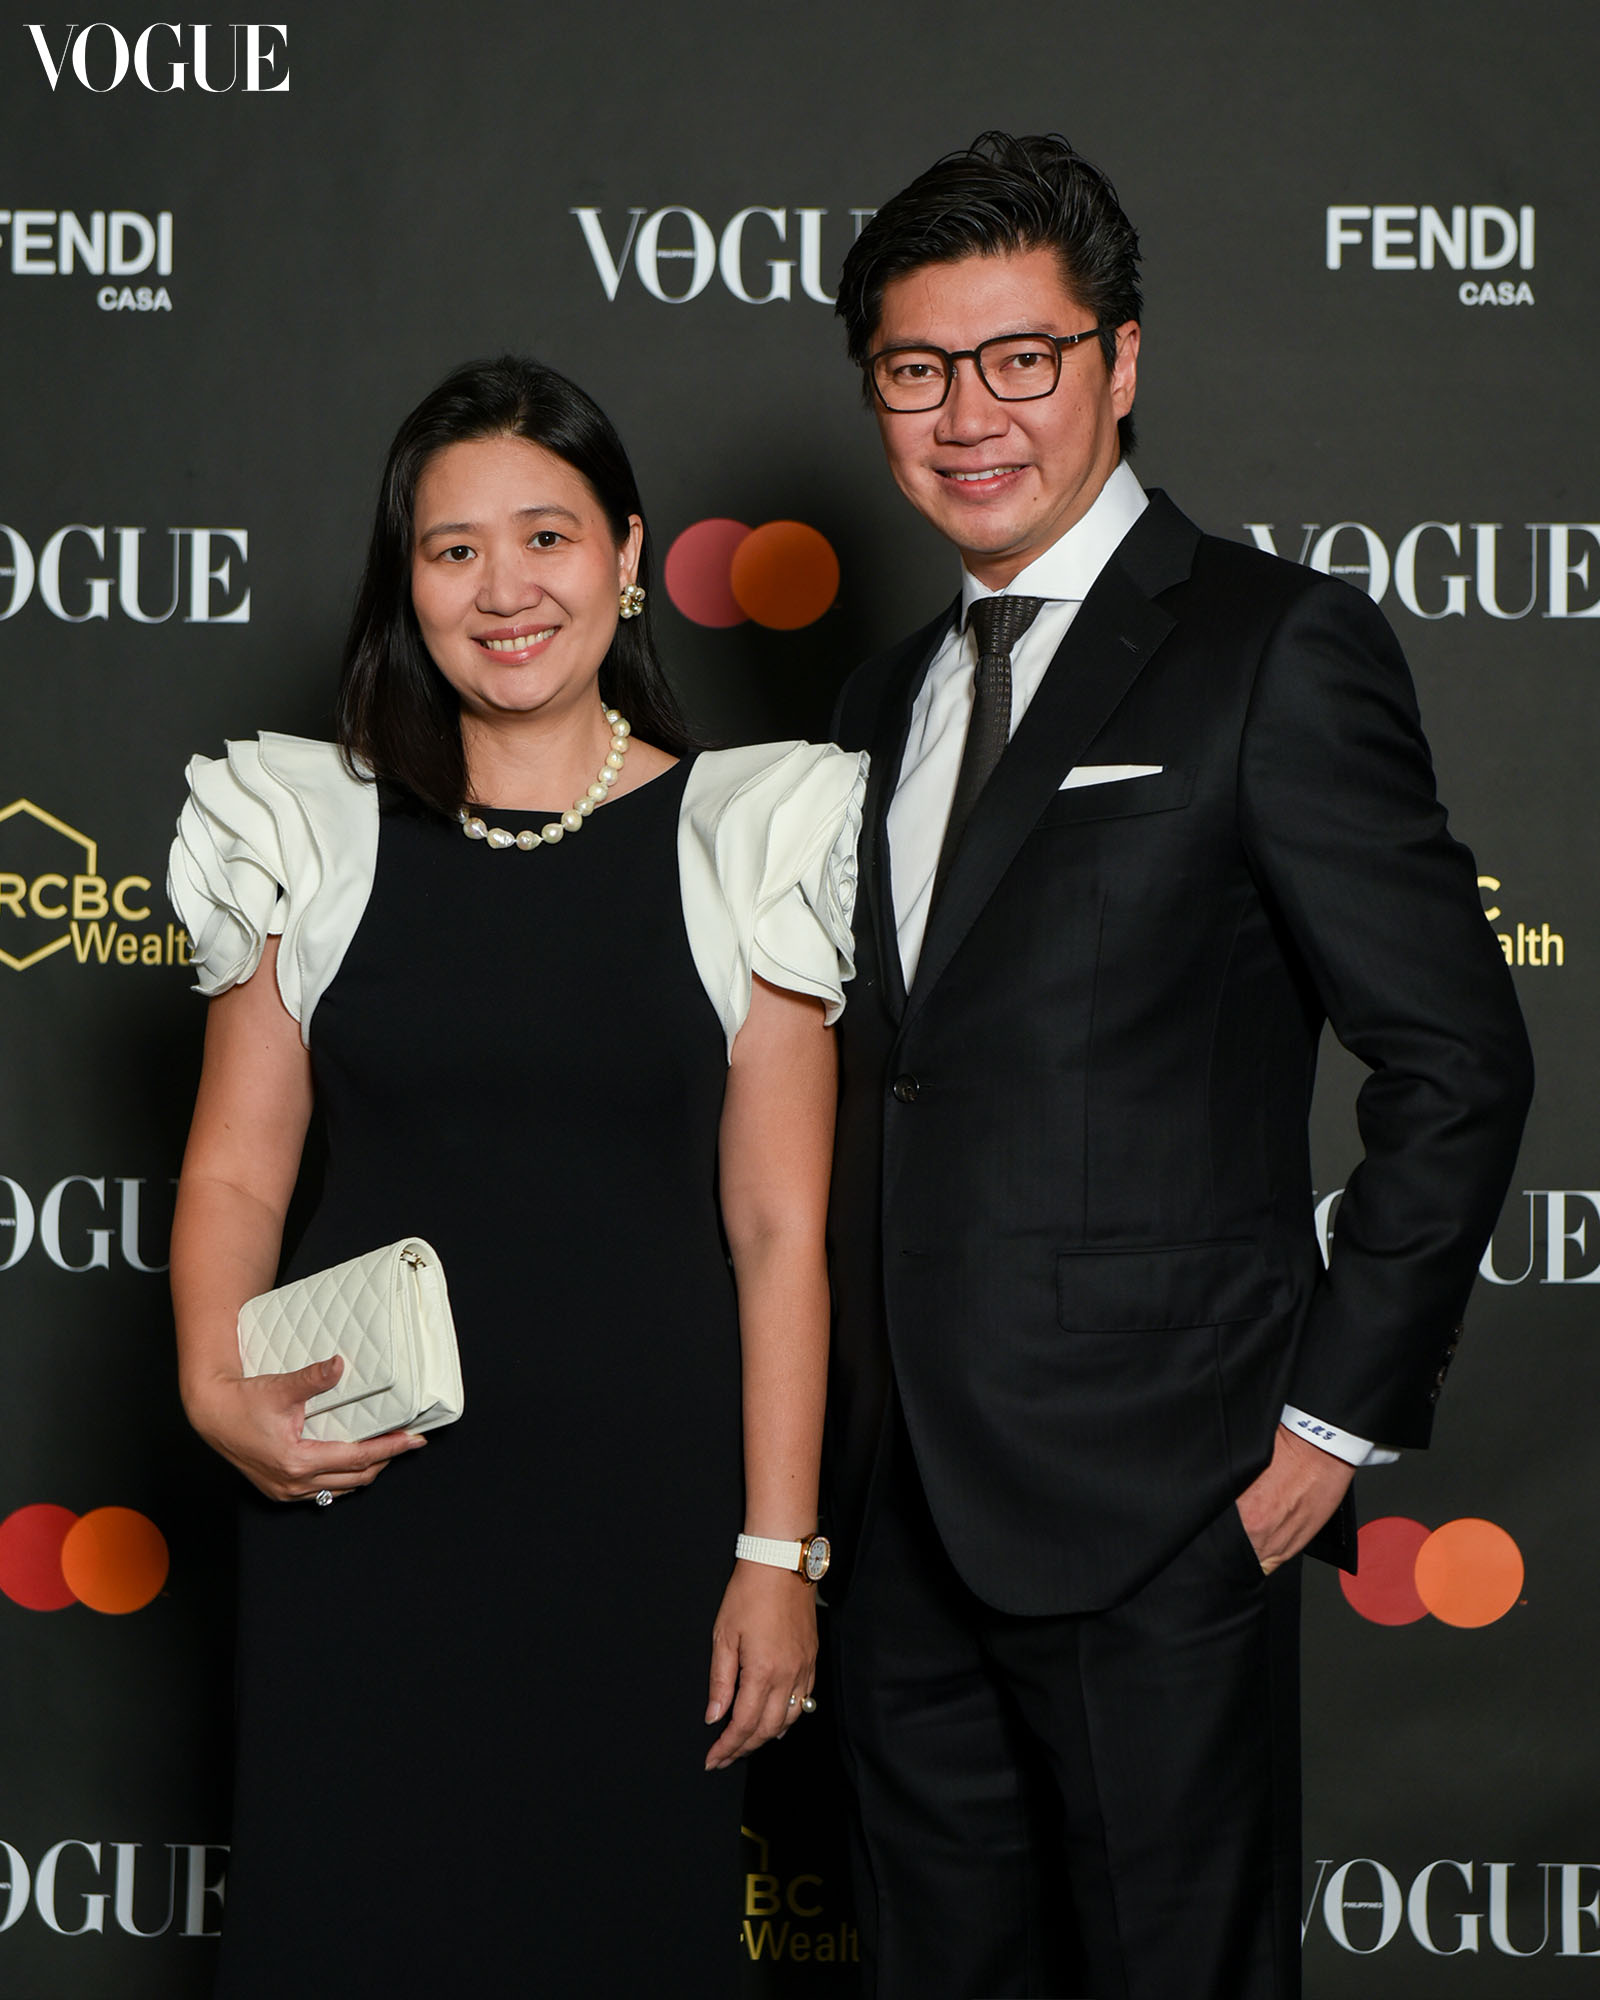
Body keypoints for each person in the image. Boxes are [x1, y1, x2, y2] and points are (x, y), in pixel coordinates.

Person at [822, 133, 1533, 2000]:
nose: (970, 415)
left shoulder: (1275, 650)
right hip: (894, 1511)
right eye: (917, 368)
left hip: (1161, 1503)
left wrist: (1323, 1432)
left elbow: (1456, 1057)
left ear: (1120, 363)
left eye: (1021, 358)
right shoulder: (882, 695)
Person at [166, 355, 866, 1997]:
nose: (504, 590)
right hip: (360, 1493)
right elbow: (231, 1178)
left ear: (627, 556)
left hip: (643, 1525)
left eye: (545, 538)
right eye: (452, 548)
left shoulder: (744, 833)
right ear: (405, 586)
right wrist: (213, 1386)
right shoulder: (303, 828)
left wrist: (780, 1554)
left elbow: (780, 1230)